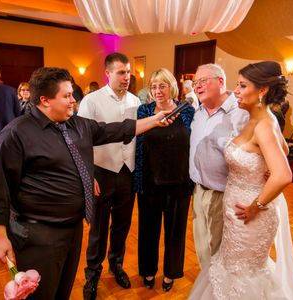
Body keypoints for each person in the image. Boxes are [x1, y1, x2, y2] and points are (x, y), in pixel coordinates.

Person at [0, 67, 174, 300]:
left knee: (62, 289)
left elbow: (116, 129)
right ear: (44, 100)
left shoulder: (77, 125)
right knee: (41, 294)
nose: (74, 100)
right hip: (37, 235)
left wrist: (154, 121)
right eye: (67, 95)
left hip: (72, 228)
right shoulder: (15, 134)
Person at [189, 61, 293, 299]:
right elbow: (283, 152)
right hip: (236, 210)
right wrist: (264, 166)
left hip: (249, 215)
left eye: (242, 86)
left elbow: (283, 175)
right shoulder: (259, 118)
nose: (236, 91)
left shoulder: (263, 126)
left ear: (262, 91)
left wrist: (255, 206)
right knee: (229, 270)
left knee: (244, 274)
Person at [78, 52, 141, 300]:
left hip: (128, 172)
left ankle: (117, 265)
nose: (127, 77)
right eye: (121, 72)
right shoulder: (91, 101)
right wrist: (88, 175)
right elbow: (81, 143)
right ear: (108, 73)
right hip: (101, 173)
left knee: (122, 225)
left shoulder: (137, 101)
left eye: (128, 72)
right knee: (98, 229)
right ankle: (92, 275)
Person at [134, 68, 195, 292]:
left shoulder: (187, 110)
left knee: (176, 232)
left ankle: (170, 273)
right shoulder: (144, 110)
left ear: (172, 87)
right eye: (153, 86)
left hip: (179, 184)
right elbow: (137, 140)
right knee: (148, 231)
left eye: (162, 85)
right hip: (149, 182)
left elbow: (194, 144)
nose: (157, 91)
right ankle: (148, 270)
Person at [189, 64, 249, 268]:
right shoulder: (197, 112)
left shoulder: (241, 113)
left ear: (221, 82)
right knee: (203, 250)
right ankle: (208, 288)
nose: (197, 87)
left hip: (224, 195)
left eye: (203, 81)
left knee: (221, 253)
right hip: (198, 191)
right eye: (195, 83)